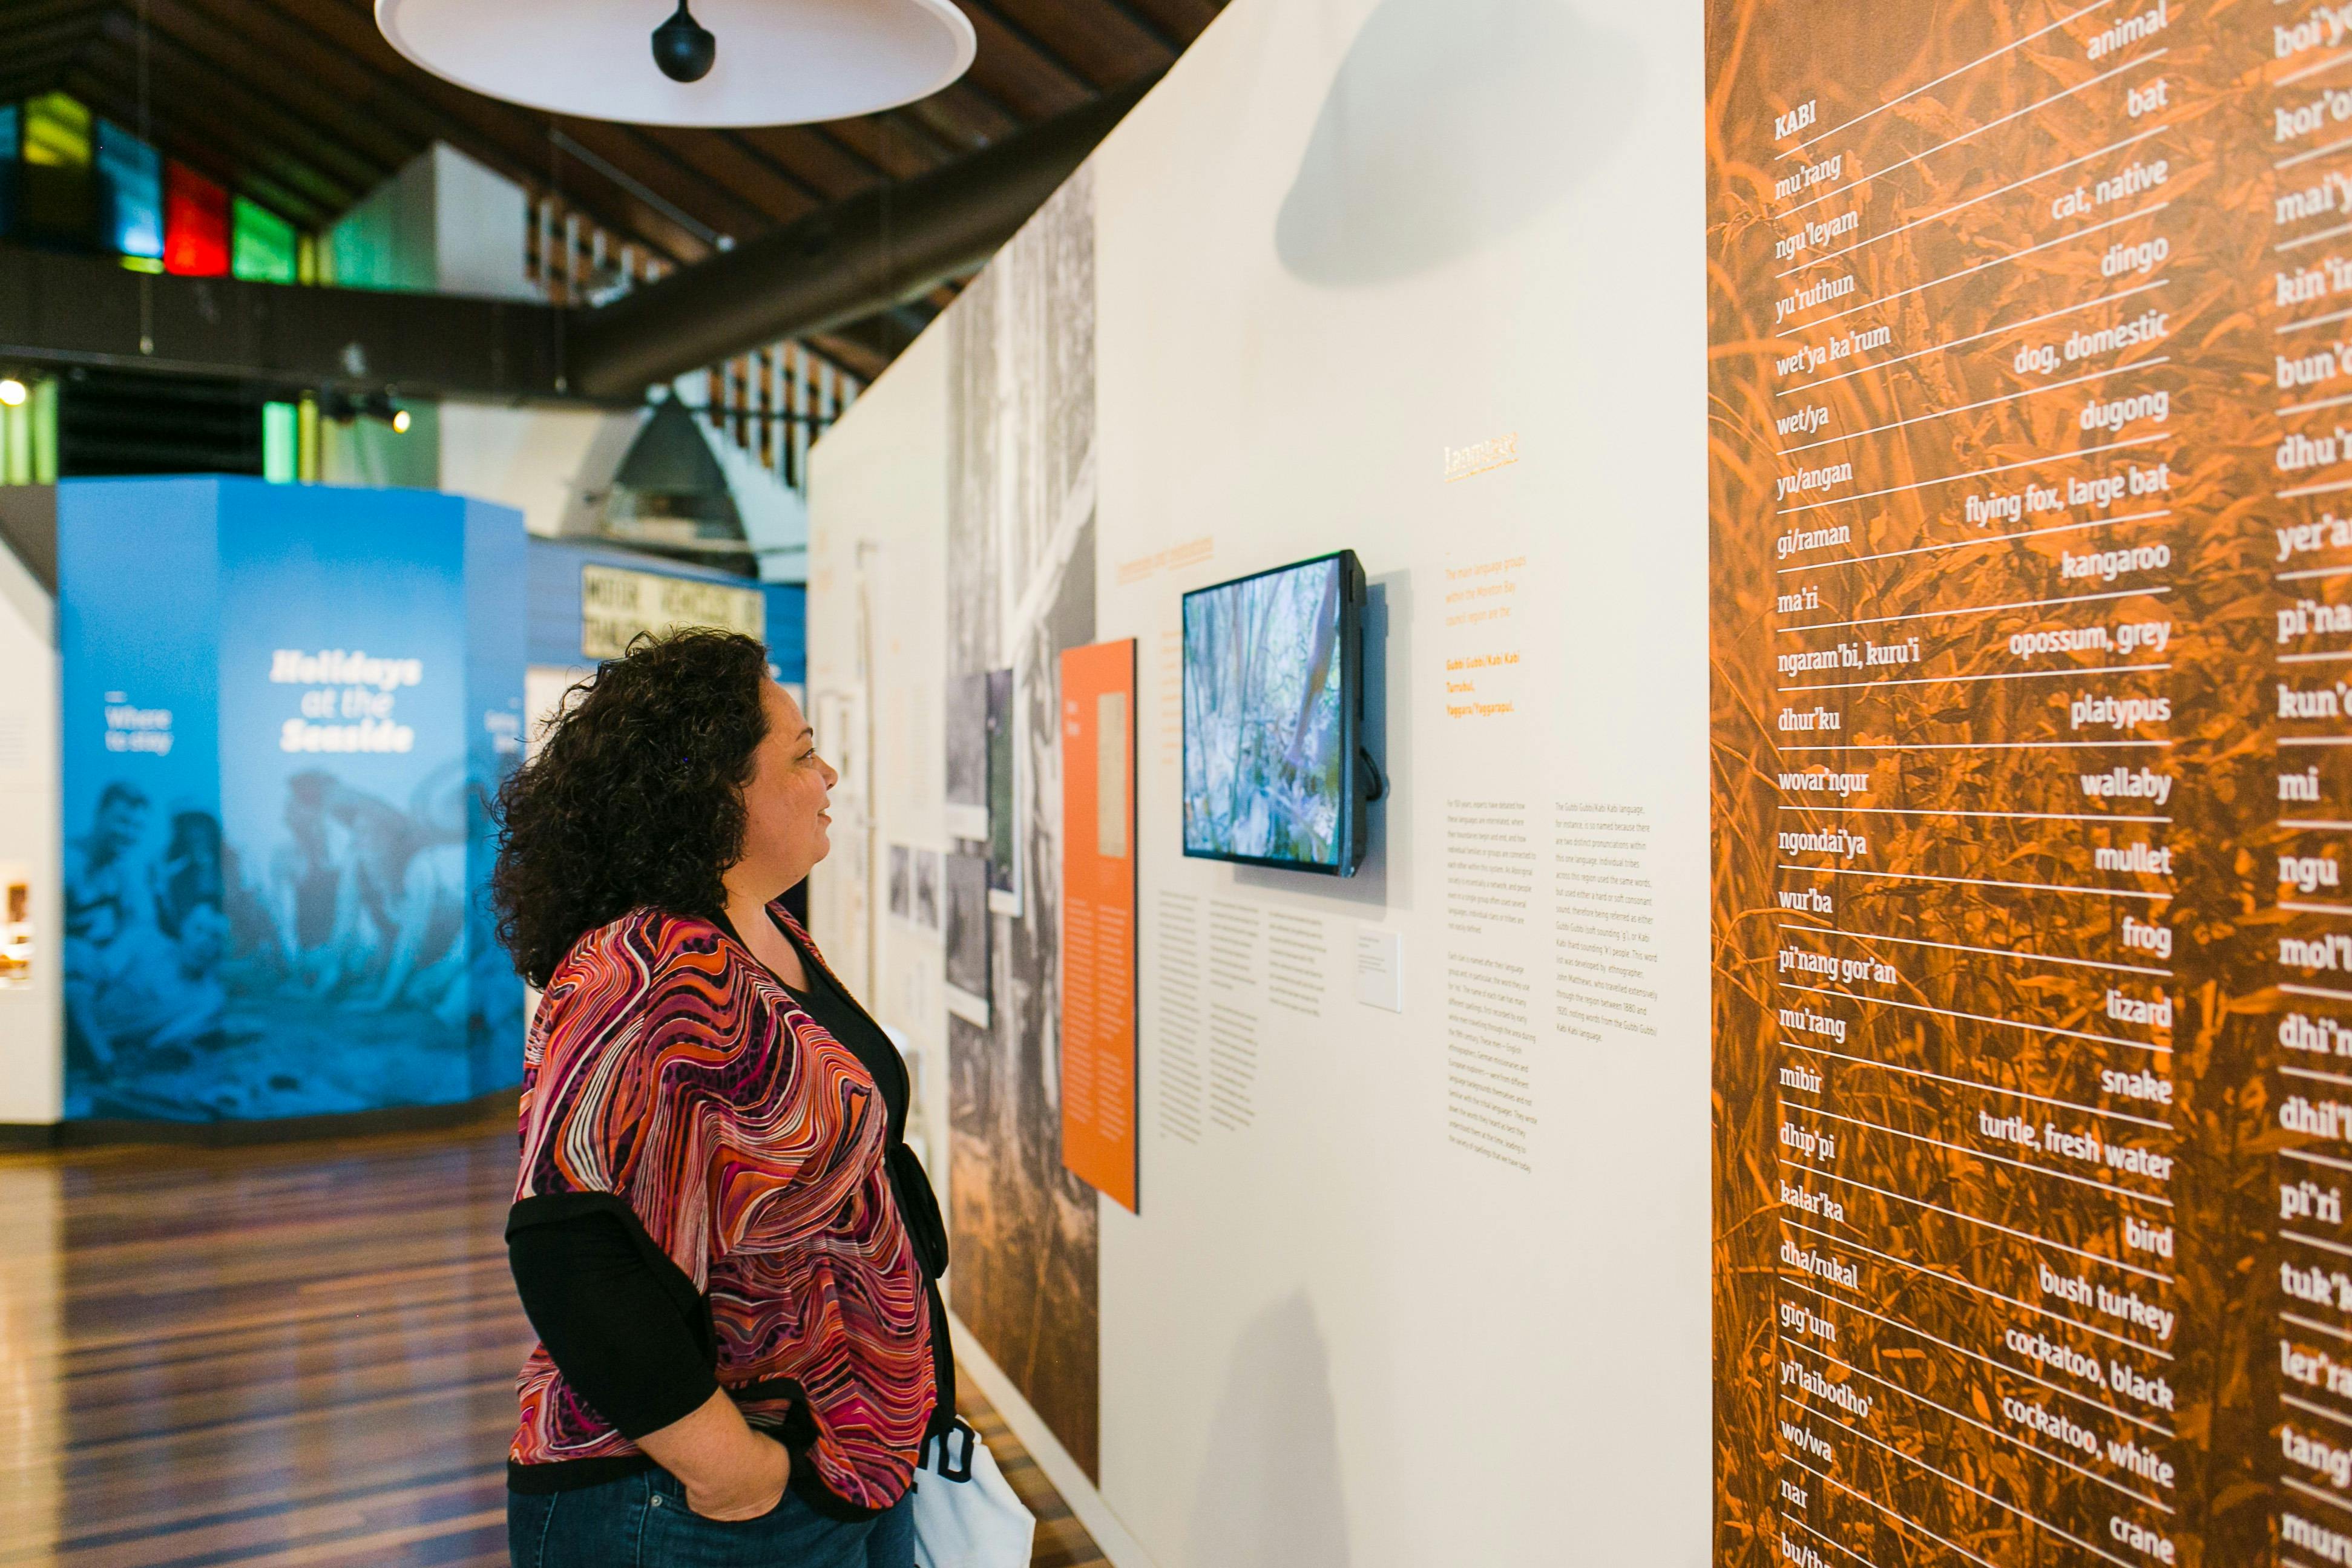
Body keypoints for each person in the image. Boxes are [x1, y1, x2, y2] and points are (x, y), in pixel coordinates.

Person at [492, 629, 951, 1568]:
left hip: (836, 1452)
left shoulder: (759, 925)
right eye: (800, 754)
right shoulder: (642, 970)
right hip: (689, 1501)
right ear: (713, 793)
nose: (828, 775)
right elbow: (571, 1251)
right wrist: (729, 1469)